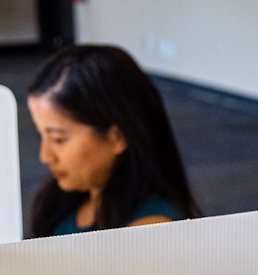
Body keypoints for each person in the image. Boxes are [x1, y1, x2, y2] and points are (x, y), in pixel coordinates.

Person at [24, 44, 202, 237]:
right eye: (41, 134)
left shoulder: (148, 230)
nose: (45, 156)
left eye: (58, 139)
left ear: (117, 137)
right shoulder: (67, 200)